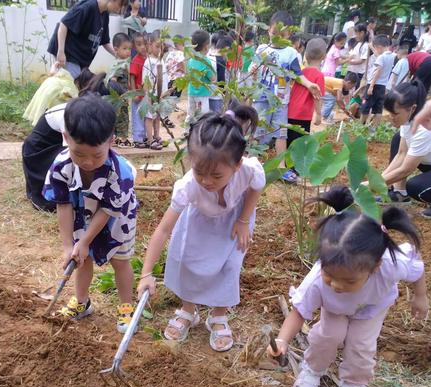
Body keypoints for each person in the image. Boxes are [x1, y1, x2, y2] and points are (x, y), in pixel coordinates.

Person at [268, 186, 427, 387]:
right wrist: (282, 340)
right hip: (335, 308)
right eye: (329, 275)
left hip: (371, 307)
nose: (337, 285)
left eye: (349, 280)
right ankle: (312, 369)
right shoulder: (318, 282)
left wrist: (420, 296)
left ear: (373, 269)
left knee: (362, 345)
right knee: (328, 335)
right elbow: (299, 313)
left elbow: (417, 269)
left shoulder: (389, 265)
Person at [137, 106, 264, 352]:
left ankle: (218, 315)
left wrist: (244, 220)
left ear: (236, 165)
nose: (206, 181)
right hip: (199, 221)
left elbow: (257, 186)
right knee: (188, 261)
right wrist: (146, 273)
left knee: (229, 265)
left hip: (234, 221)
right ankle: (188, 309)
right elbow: (163, 230)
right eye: (199, 172)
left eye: (216, 176)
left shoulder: (248, 169)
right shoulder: (188, 187)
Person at [42, 94, 137, 331]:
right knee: (80, 259)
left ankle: (126, 307)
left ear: (110, 142)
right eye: (79, 154)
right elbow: (63, 205)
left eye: (97, 155)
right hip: (81, 214)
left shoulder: (120, 173)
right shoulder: (61, 166)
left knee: (120, 261)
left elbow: (108, 209)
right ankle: (82, 302)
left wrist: (85, 240)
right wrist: (70, 245)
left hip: (116, 218)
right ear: (66, 138)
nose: (88, 162)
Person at [249, 10, 321, 183]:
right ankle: (252, 164)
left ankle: (281, 167)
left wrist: (309, 84)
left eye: (282, 35)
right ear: (269, 31)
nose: (277, 38)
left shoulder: (291, 53)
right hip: (261, 99)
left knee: (282, 133)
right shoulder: (262, 48)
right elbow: (253, 67)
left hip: (281, 101)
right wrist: (252, 71)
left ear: (289, 35)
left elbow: (297, 74)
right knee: (257, 131)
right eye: (274, 34)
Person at [22, 69, 106, 212]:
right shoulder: (70, 114)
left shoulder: (84, 112)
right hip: (39, 153)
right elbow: (71, 156)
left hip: (55, 147)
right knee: (77, 159)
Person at [381, 81, 431, 218]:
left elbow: (406, 169)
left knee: (415, 187)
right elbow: (401, 154)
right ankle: (399, 193)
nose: (391, 118)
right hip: (428, 162)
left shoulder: (424, 129)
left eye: (395, 114)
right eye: (389, 112)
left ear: (412, 108)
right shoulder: (408, 120)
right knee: (398, 139)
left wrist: (371, 185)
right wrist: (379, 182)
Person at [47, 0, 126, 79]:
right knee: (71, 83)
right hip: (68, 53)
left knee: (79, 84)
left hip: (82, 58)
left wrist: (117, 55)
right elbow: (63, 24)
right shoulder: (88, 6)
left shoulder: (105, 14)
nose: (119, 10)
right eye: (120, 5)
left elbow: (105, 41)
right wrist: (61, 52)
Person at [287, 38, 326, 148]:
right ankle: (294, 165)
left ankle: (286, 164)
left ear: (306, 55)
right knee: (300, 146)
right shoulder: (319, 75)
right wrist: (318, 114)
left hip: (290, 112)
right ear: (324, 56)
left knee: (289, 143)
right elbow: (317, 97)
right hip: (303, 116)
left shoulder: (301, 73)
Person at [142, 30, 169, 150]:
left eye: (162, 46)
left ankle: (157, 136)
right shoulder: (148, 61)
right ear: (150, 44)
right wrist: (147, 94)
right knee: (149, 116)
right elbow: (145, 80)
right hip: (151, 95)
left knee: (157, 115)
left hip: (160, 94)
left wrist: (165, 92)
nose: (159, 49)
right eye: (157, 46)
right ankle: (150, 139)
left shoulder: (161, 60)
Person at [360, 34, 395, 126]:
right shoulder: (392, 56)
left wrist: (371, 86)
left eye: (376, 48)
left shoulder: (381, 57)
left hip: (374, 84)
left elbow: (378, 71)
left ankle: (359, 127)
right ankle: (374, 129)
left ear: (379, 47)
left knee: (365, 106)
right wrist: (371, 47)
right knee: (378, 109)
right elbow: (378, 54)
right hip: (382, 86)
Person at [107, 33, 133, 147]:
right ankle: (123, 139)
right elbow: (113, 81)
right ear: (116, 49)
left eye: (129, 49)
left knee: (117, 117)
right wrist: (122, 94)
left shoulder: (123, 63)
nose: (128, 51)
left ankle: (116, 138)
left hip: (120, 97)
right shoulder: (119, 65)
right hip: (119, 98)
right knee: (123, 117)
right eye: (125, 48)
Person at [186, 30, 215, 125]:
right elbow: (213, 79)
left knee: (190, 113)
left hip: (191, 92)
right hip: (202, 94)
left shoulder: (191, 60)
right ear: (206, 46)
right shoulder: (206, 61)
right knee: (202, 116)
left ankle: (187, 130)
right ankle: (200, 133)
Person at [129, 32, 148, 148]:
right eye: (139, 44)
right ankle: (137, 139)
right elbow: (132, 77)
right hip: (138, 95)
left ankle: (144, 136)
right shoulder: (136, 60)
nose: (143, 47)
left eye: (145, 44)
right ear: (135, 47)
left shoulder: (149, 60)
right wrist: (134, 93)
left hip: (146, 95)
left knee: (146, 116)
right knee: (138, 117)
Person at [346, 23, 369, 89]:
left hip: (358, 73)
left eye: (356, 33)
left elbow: (362, 60)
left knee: (355, 90)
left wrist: (350, 62)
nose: (355, 36)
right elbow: (350, 54)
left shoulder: (366, 45)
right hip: (351, 70)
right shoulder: (357, 43)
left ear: (362, 33)